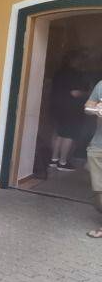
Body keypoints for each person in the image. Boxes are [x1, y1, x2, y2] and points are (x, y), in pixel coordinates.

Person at [50, 52, 88, 171]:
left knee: (58, 133)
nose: (82, 62)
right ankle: (62, 162)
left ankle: (54, 160)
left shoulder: (59, 73)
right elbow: (75, 93)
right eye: (80, 60)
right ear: (74, 61)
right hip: (71, 109)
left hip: (57, 107)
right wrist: (87, 94)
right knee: (69, 135)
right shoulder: (75, 74)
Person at [84, 80, 102, 238]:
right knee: (98, 191)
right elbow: (87, 107)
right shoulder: (101, 85)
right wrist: (96, 110)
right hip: (98, 145)